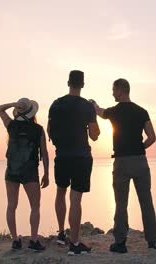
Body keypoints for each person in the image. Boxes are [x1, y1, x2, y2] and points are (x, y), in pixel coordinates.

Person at [92, 78, 156, 253]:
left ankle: (120, 243)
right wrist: (139, 148)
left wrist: (94, 105)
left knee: (121, 203)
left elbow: (99, 112)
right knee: (146, 202)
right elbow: (152, 137)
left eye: (114, 90)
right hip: (140, 162)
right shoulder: (142, 111)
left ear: (121, 90)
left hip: (122, 162)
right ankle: (153, 242)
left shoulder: (114, 111)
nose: (112, 93)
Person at [48, 70, 100, 255]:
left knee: (60, 192)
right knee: (75, 199)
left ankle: (61, 234)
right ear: (83, 85)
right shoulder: (87, 107)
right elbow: (94, 135)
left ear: (68, 83)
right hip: (80, 157)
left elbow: (49, 131)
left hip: (61, 156)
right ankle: (75, 244)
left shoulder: (55, 104)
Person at [0, 97, 49, 251]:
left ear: (17, 112)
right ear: (33, 112)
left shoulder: (11, 125)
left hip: (12, 170)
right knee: (35, 206)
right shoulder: (38, 129)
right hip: (30, 171)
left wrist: (13, 104)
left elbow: (0, 108)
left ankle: (15, 240)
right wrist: (46, 173)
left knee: (11, 205)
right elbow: (44, 153)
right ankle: (33, 240)